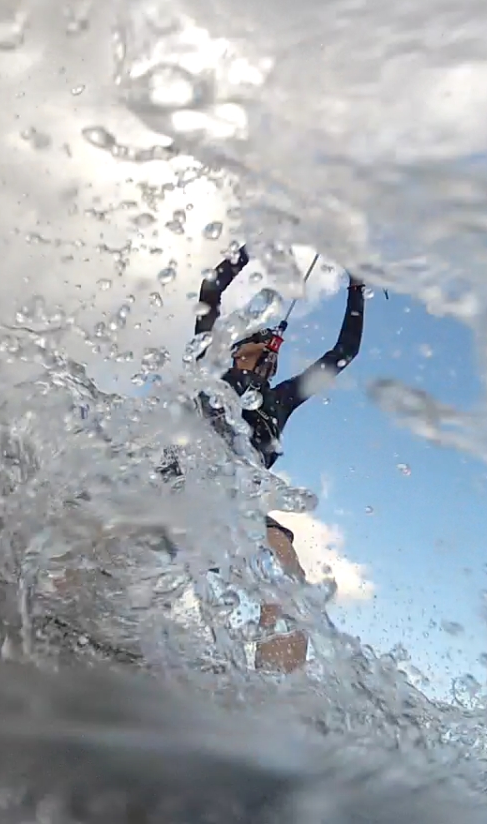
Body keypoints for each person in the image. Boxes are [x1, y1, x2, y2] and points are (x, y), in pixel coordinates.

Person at [167, 245, 367, 673]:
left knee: (290, 573)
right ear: (236, 350)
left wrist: (356, 285)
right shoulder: (211, 364)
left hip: (235, 506)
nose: (270, 353)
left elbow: (342, 353)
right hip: (173, 482)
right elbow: (211, 289)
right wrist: (255, 245)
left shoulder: (280, 400)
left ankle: (272, 694)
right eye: (261, 344)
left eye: (273, 354)